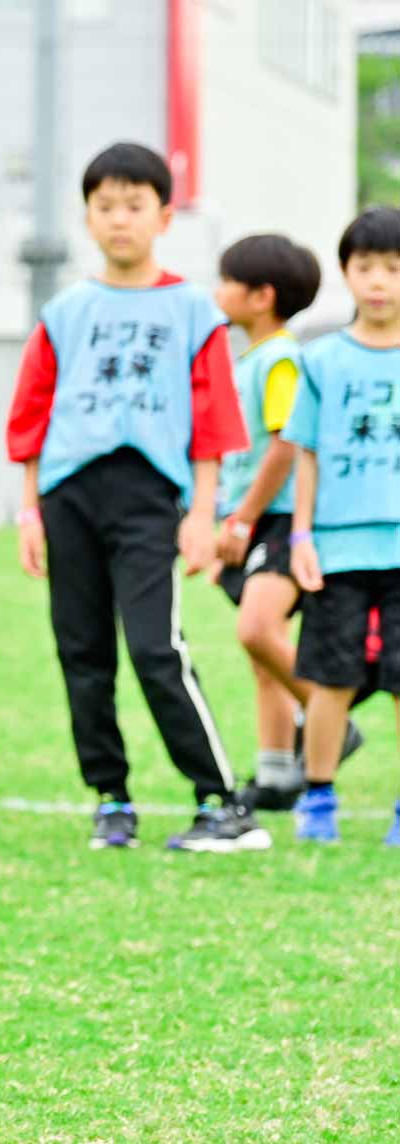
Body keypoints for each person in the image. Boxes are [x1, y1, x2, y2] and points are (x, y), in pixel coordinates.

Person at [8, 141, 263, 852]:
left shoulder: (192, 311)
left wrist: (202, 514)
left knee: (156, 648)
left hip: (150, 496)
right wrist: (31, 510)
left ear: (163, 216)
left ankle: (220, 799)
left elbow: (212, 423)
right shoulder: (64, 312)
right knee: (81, 650)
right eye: (105, 206)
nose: (119, 219)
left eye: (134, 205)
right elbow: (32, 417)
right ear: (87, 217)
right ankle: (111, 796)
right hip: (68, 495)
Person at [209, 234, 365, 810]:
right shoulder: (252, 357)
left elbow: (283, 448)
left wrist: (243, 519)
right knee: (261, 654)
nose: (217, 291)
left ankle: (332, 721)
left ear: (261, 296)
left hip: (277, 520)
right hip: (255, 518)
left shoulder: (279, 359)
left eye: (227, 280)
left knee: (256, 629)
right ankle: (276, 774)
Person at [284, 207, 400, 845]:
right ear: (346, 274)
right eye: (366, 268)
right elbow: (307, 454)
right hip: (337, 547)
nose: (379, 281)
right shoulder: (321, 360)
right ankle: (319, 798)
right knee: (332, 677)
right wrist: (301, 535)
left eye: (392, 268)